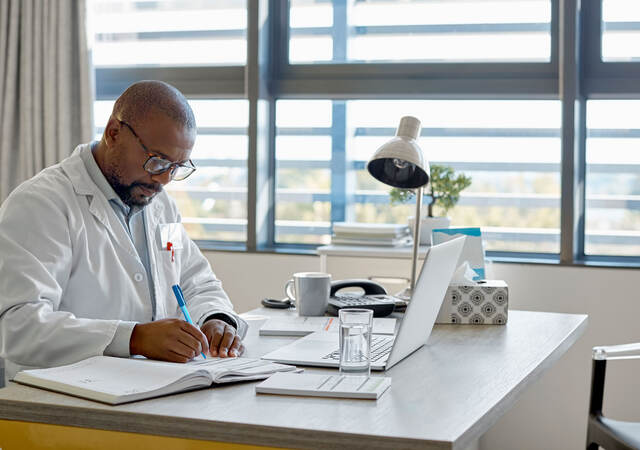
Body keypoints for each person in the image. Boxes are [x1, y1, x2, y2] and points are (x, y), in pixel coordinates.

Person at [0, 81, 247, 383]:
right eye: (157, 160)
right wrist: (133, 338)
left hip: (148, 387)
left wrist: (216, 318)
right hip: (60, 402)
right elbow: (17, 327)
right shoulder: (41, 203)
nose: (165, 179)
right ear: (113, 132)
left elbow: (196, 281)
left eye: (177, 167)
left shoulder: (158, 202)